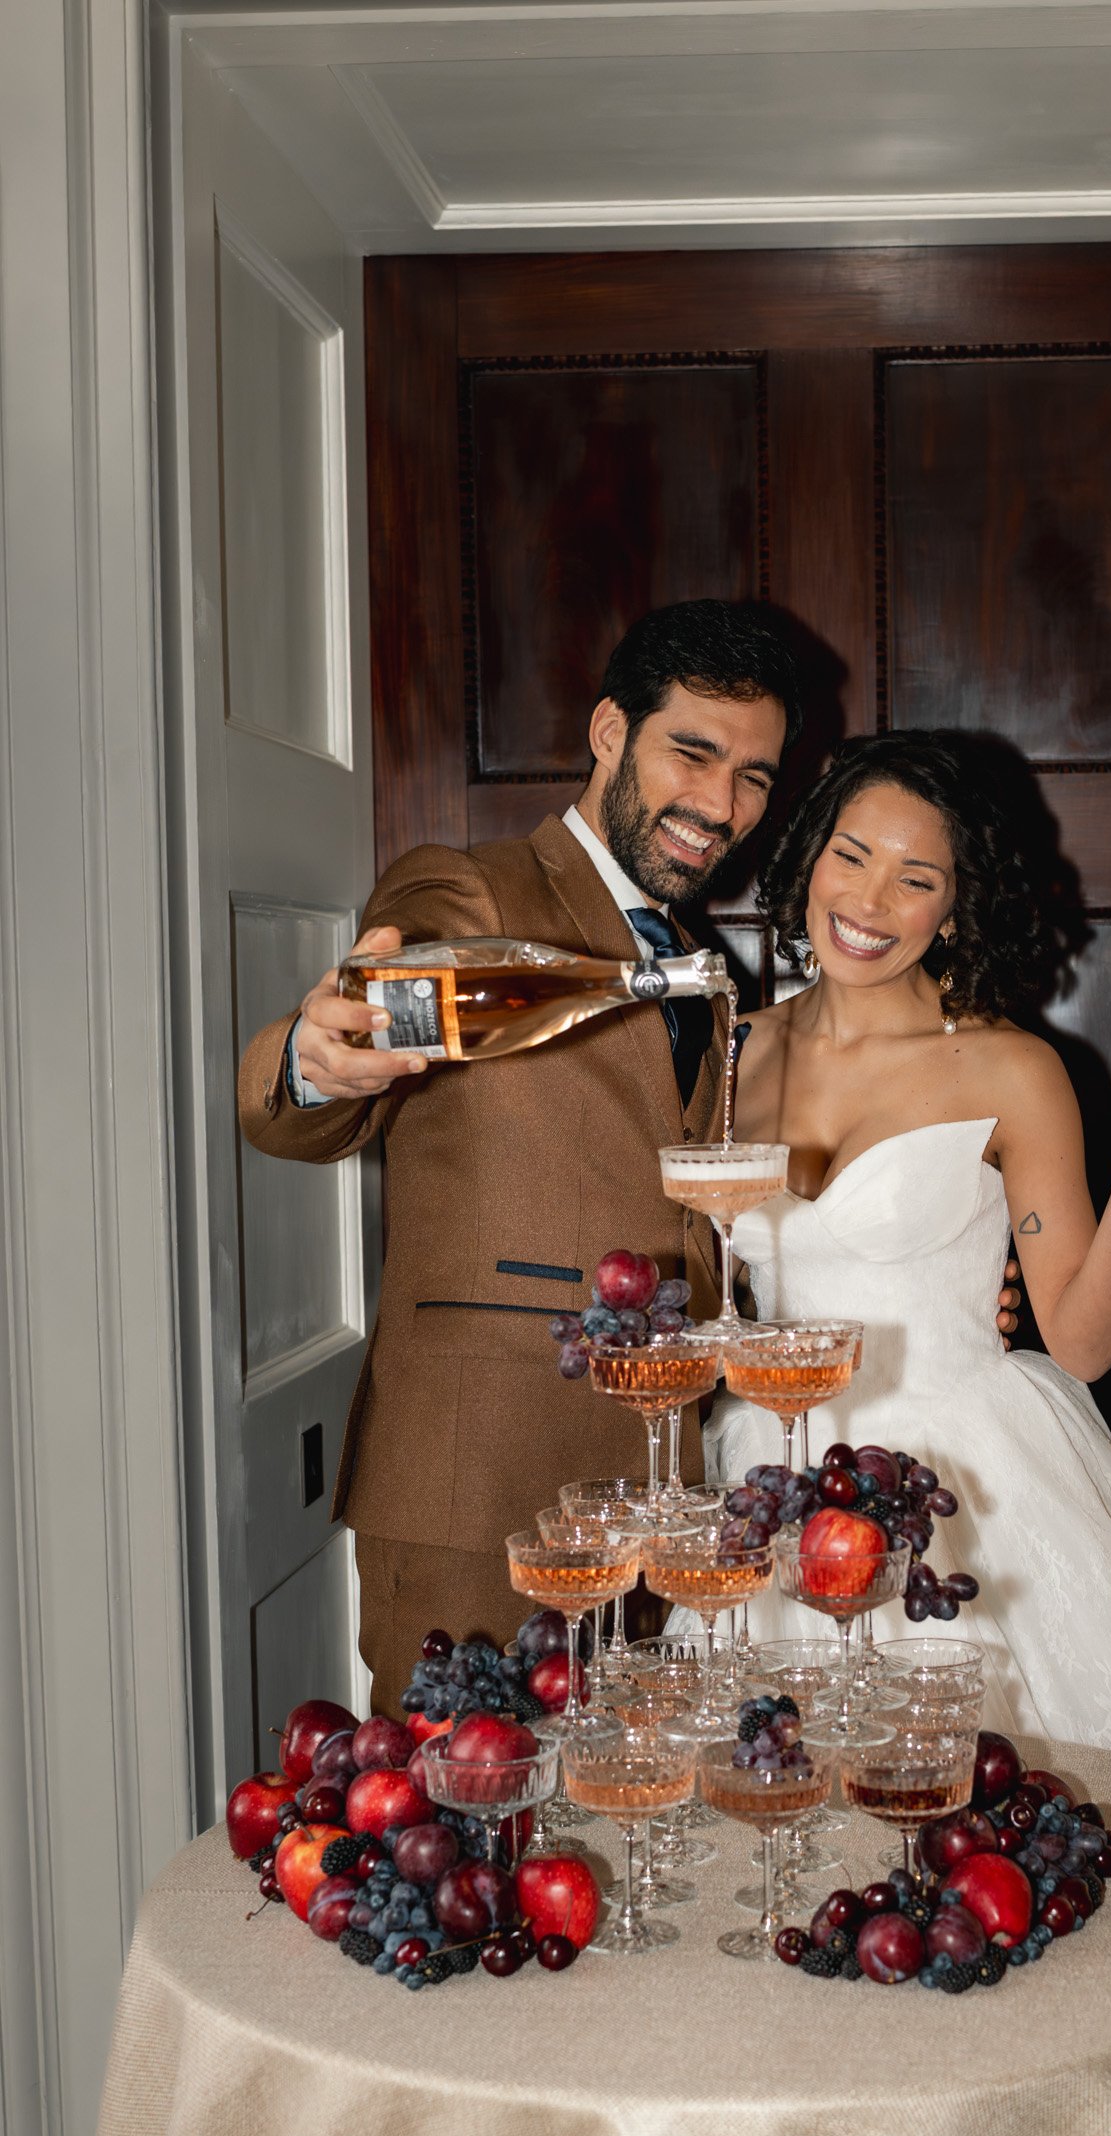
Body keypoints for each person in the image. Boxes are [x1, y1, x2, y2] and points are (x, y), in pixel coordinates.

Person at [236, 601, 803, 1717]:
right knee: (453, 1851)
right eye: (692, 751)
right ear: (608, 732)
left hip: (659, 1498)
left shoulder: (708, 965)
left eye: (754, 777)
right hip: (476, 1489)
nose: (722, 805)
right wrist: (310, 1062)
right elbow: (341, 1059)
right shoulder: (470, 890)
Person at [706, 732, 1111, 1784]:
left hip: (968, 1489)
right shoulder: (735, 1051)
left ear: (954, 909)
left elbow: (1086, 1343)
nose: (868, 900)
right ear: (805, 859)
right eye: (850, 854)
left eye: (914, 878)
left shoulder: (1013, 1068)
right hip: (771, 1475)